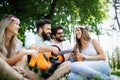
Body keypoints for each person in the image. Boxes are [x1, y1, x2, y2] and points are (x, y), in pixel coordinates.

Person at [0, 14, 39, 80]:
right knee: (23, 52)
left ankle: (18, 75)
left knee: (22, 52)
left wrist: (23, 53)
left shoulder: (17, 43)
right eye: (16, 24)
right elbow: (6, 61)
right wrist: (24, 52)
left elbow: (14, 60)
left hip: (12, 71)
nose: (18, 27)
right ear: (8, 25)